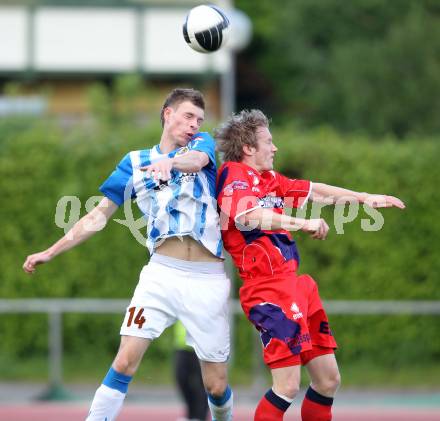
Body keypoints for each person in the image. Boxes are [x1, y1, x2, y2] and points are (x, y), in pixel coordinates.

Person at [23, 88, 233, 421]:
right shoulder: (134, 163)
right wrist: (51, 251)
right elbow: (98, 215)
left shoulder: (200, 145)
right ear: (167, 114)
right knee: (124, 361)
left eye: (199, 119)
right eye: (187, 116)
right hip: (161, 274)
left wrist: (170, 161)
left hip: (207, 279)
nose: (194, 124)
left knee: (217, 385)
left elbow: (198, 160)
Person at [214, 109, 405, 421]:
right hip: (268, 289)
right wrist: (301, 223)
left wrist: (363, 196)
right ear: (248, 148)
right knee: (287, 386)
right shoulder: (234, 175)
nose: (275, 148)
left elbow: (315, 191)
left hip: (295, 285)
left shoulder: (270, 180)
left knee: (328, 380)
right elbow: (246, 216)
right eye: (268, 142)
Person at [174, 321, 209, 421]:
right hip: (181, 345)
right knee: (181, 378)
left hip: (201, 346)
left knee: (202, 383)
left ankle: (200, 417)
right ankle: (191, 414)